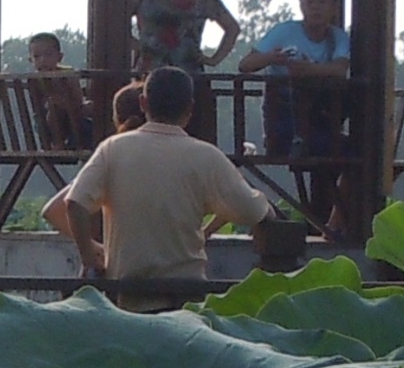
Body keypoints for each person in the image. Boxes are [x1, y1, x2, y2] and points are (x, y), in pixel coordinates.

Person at [47, 65, 272, 292]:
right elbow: (251, 210)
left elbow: (74, 203)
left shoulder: (113, 148)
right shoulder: (207, 156)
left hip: (126, 293)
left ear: (144, 103)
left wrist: (89, 255)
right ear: (190, 108)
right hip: (184, 292)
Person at [248, 0, 355, 213]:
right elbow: (246, 64)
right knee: (346, 152)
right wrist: (272, 58)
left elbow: (340, 69)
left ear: (334, 8)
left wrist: (308, 71)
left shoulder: (338, 37)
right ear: (301, 5)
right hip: (284, 122)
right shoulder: (284, 32)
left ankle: (334, 220)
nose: (315, 8)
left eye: (322, 2)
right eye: (310, 2)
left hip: (320, 121)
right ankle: (329, 221)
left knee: (357, 154)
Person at [22, 30, 92, 152]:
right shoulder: (34, 80)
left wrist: (65, 104)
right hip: (47, 126)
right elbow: (37, 110)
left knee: (91, 108)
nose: (43, 60)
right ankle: (58, 144)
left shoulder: (68, 74)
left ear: (59, 57)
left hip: (74, 120)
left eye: (48, 55)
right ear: (30, 60)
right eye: (37, 57)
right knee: (52, 110)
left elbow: (78, 101)